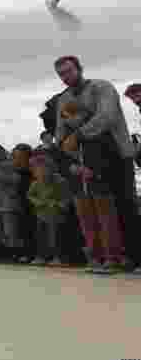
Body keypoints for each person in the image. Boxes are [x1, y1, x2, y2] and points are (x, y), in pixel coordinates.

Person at [52, 56, 139, 272]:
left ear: (79, 69)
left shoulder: (102, 87)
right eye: (61, 73)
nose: (66, 76)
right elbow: (61, 131)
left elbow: (106, 117)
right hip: (86, 159)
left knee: (125, 206)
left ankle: (136, 258)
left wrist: (78, 134)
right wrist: (63, 147)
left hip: (118, 154)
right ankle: (108, 257)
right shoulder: (63, 99)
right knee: (99, 209)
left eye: (69, 70)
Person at [59, 99, 126, 273]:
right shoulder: (66, 137)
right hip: (78, 187)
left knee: (107, 221)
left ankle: (112, 259)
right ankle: (95, 257)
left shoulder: (100, 133)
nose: (70, 120)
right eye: (66, 117)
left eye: (73, 115)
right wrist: (71, 168)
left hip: (100, 184)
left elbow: (112, 156)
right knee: (87, 224)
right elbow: (61, 160)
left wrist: (95, 171)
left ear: (83, 114)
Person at [26, 149, 71, 266]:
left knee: (56, 237)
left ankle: (58, 256)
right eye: (35, 170)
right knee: (41, 237)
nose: (38, 172)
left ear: (50, 167)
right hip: (41, 215)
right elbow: (30, 195)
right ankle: (41, 256)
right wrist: (38, 202)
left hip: (56, 215)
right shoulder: (35, 183)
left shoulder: (59, 181)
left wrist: (60, 204)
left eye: (41, 169)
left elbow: (66, 196)